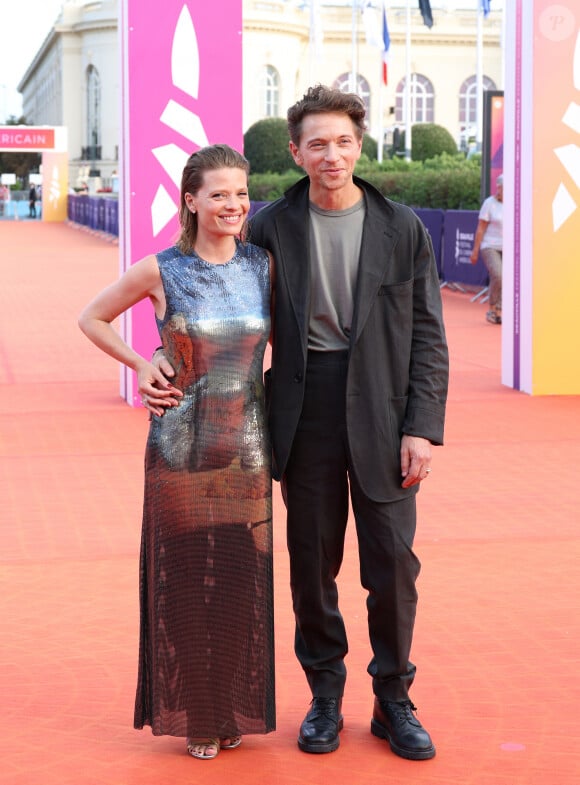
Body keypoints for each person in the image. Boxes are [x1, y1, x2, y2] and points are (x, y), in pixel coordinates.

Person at [151, 85, 448, 761]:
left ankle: (393, 697)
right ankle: (326, 694)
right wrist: (162, 366)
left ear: (359, 145)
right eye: (317, 143)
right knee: (312, 563)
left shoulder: (402, 227)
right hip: (300, 407)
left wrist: (422, 426)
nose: (331, 154)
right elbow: (208, 292)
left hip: (384, 409)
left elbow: (429, 334)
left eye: (343, 141)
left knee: (393, 564)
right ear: (296, 152)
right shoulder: (270, 227)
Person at [78, 144, 275, 760]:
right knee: (188, 582)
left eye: (241, 194)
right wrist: (143, 364)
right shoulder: (161, 270)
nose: (233, 205)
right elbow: (93, 318)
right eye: (219, 194)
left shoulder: (264, 266)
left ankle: (230, 706)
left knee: (243, 582)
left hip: (247, 448)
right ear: (191, 200)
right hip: (181, 445)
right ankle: (200, 714)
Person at [470, 174, 503, 324]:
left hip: (510, 248)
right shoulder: (489, 203)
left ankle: (499, 310)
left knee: (506, 279)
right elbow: (481, 228)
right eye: (499, 187)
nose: (500, 190)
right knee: (498, 275)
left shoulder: (516, 203)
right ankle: (492, 308)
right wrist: (475, 250)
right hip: (490, 246)